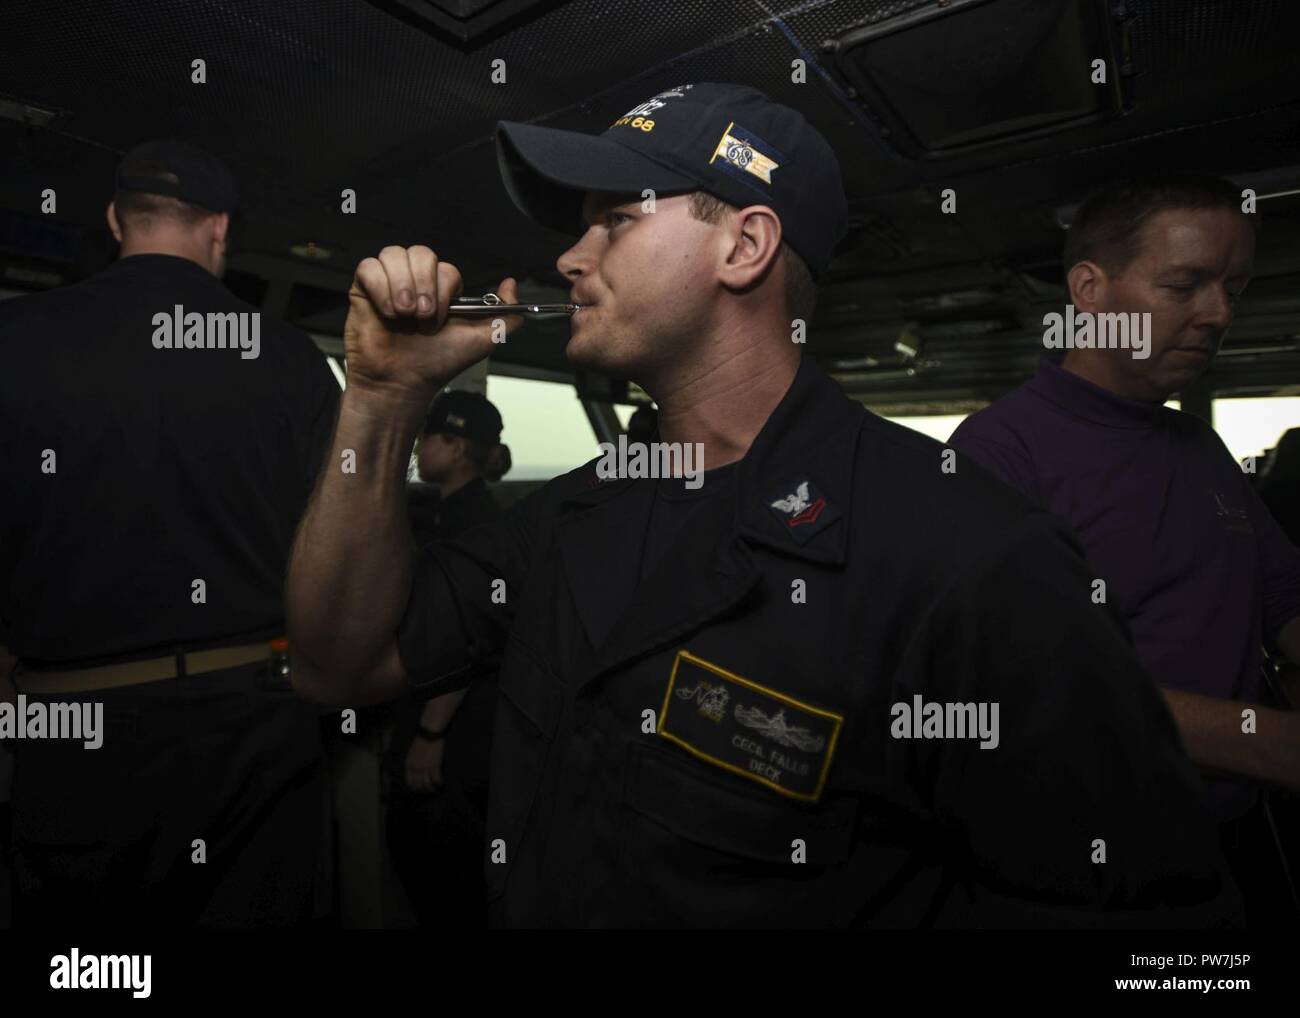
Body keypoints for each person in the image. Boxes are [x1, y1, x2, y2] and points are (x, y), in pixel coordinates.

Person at [286, 83, 1239, 927]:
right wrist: (380, 397)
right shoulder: (566, 521)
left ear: (744, 246)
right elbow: (341, 665)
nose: (572, 258)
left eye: (613, 221)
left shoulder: (972, 557)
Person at [0, 140, 339, 927]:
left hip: (70, 723)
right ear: (220, 229)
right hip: (252, 717)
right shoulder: (286, 356)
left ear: (116, 218)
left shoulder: (14, 341)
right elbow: (333, 551)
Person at [950, 174, 1300, 926]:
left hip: (1218, 860)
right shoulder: (999, 451)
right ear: (1090, 290)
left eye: (1233, 288)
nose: (1218, 314)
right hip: (1077, 878)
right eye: (1186, 284)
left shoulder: (1202, 449)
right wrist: (1265, 743)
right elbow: (1015, 688)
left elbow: (1285, 604)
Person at [388, 390, 509, 926]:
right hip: (446, 716)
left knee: (441, 871)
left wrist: (431, 734)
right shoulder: (451, 513)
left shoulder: (472, 524)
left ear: (456, 447)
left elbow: (468, 634)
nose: (418, 447)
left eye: (427, 437)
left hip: (453, 731)